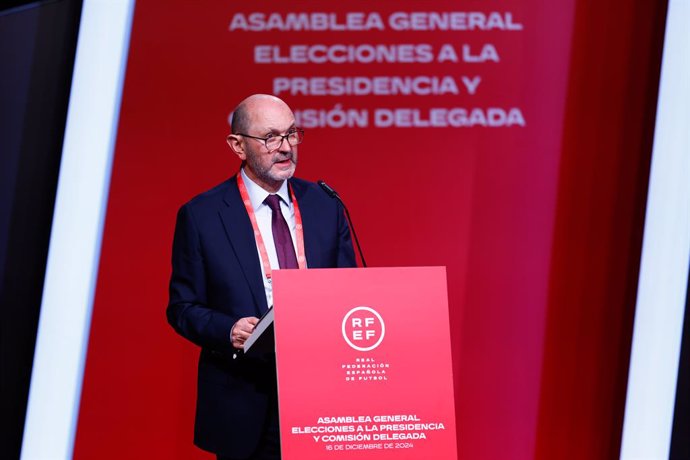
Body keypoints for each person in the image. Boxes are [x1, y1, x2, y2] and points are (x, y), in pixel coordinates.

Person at [167, 94, 356, 460]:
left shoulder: (325, 205)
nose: (286, 148)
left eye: (292, 134)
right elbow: (182, 307)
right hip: (246, 398)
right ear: (237, 145)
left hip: (322, 398)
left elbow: (349, 291)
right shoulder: (202, 215)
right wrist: (228, 329)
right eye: (271, 137)